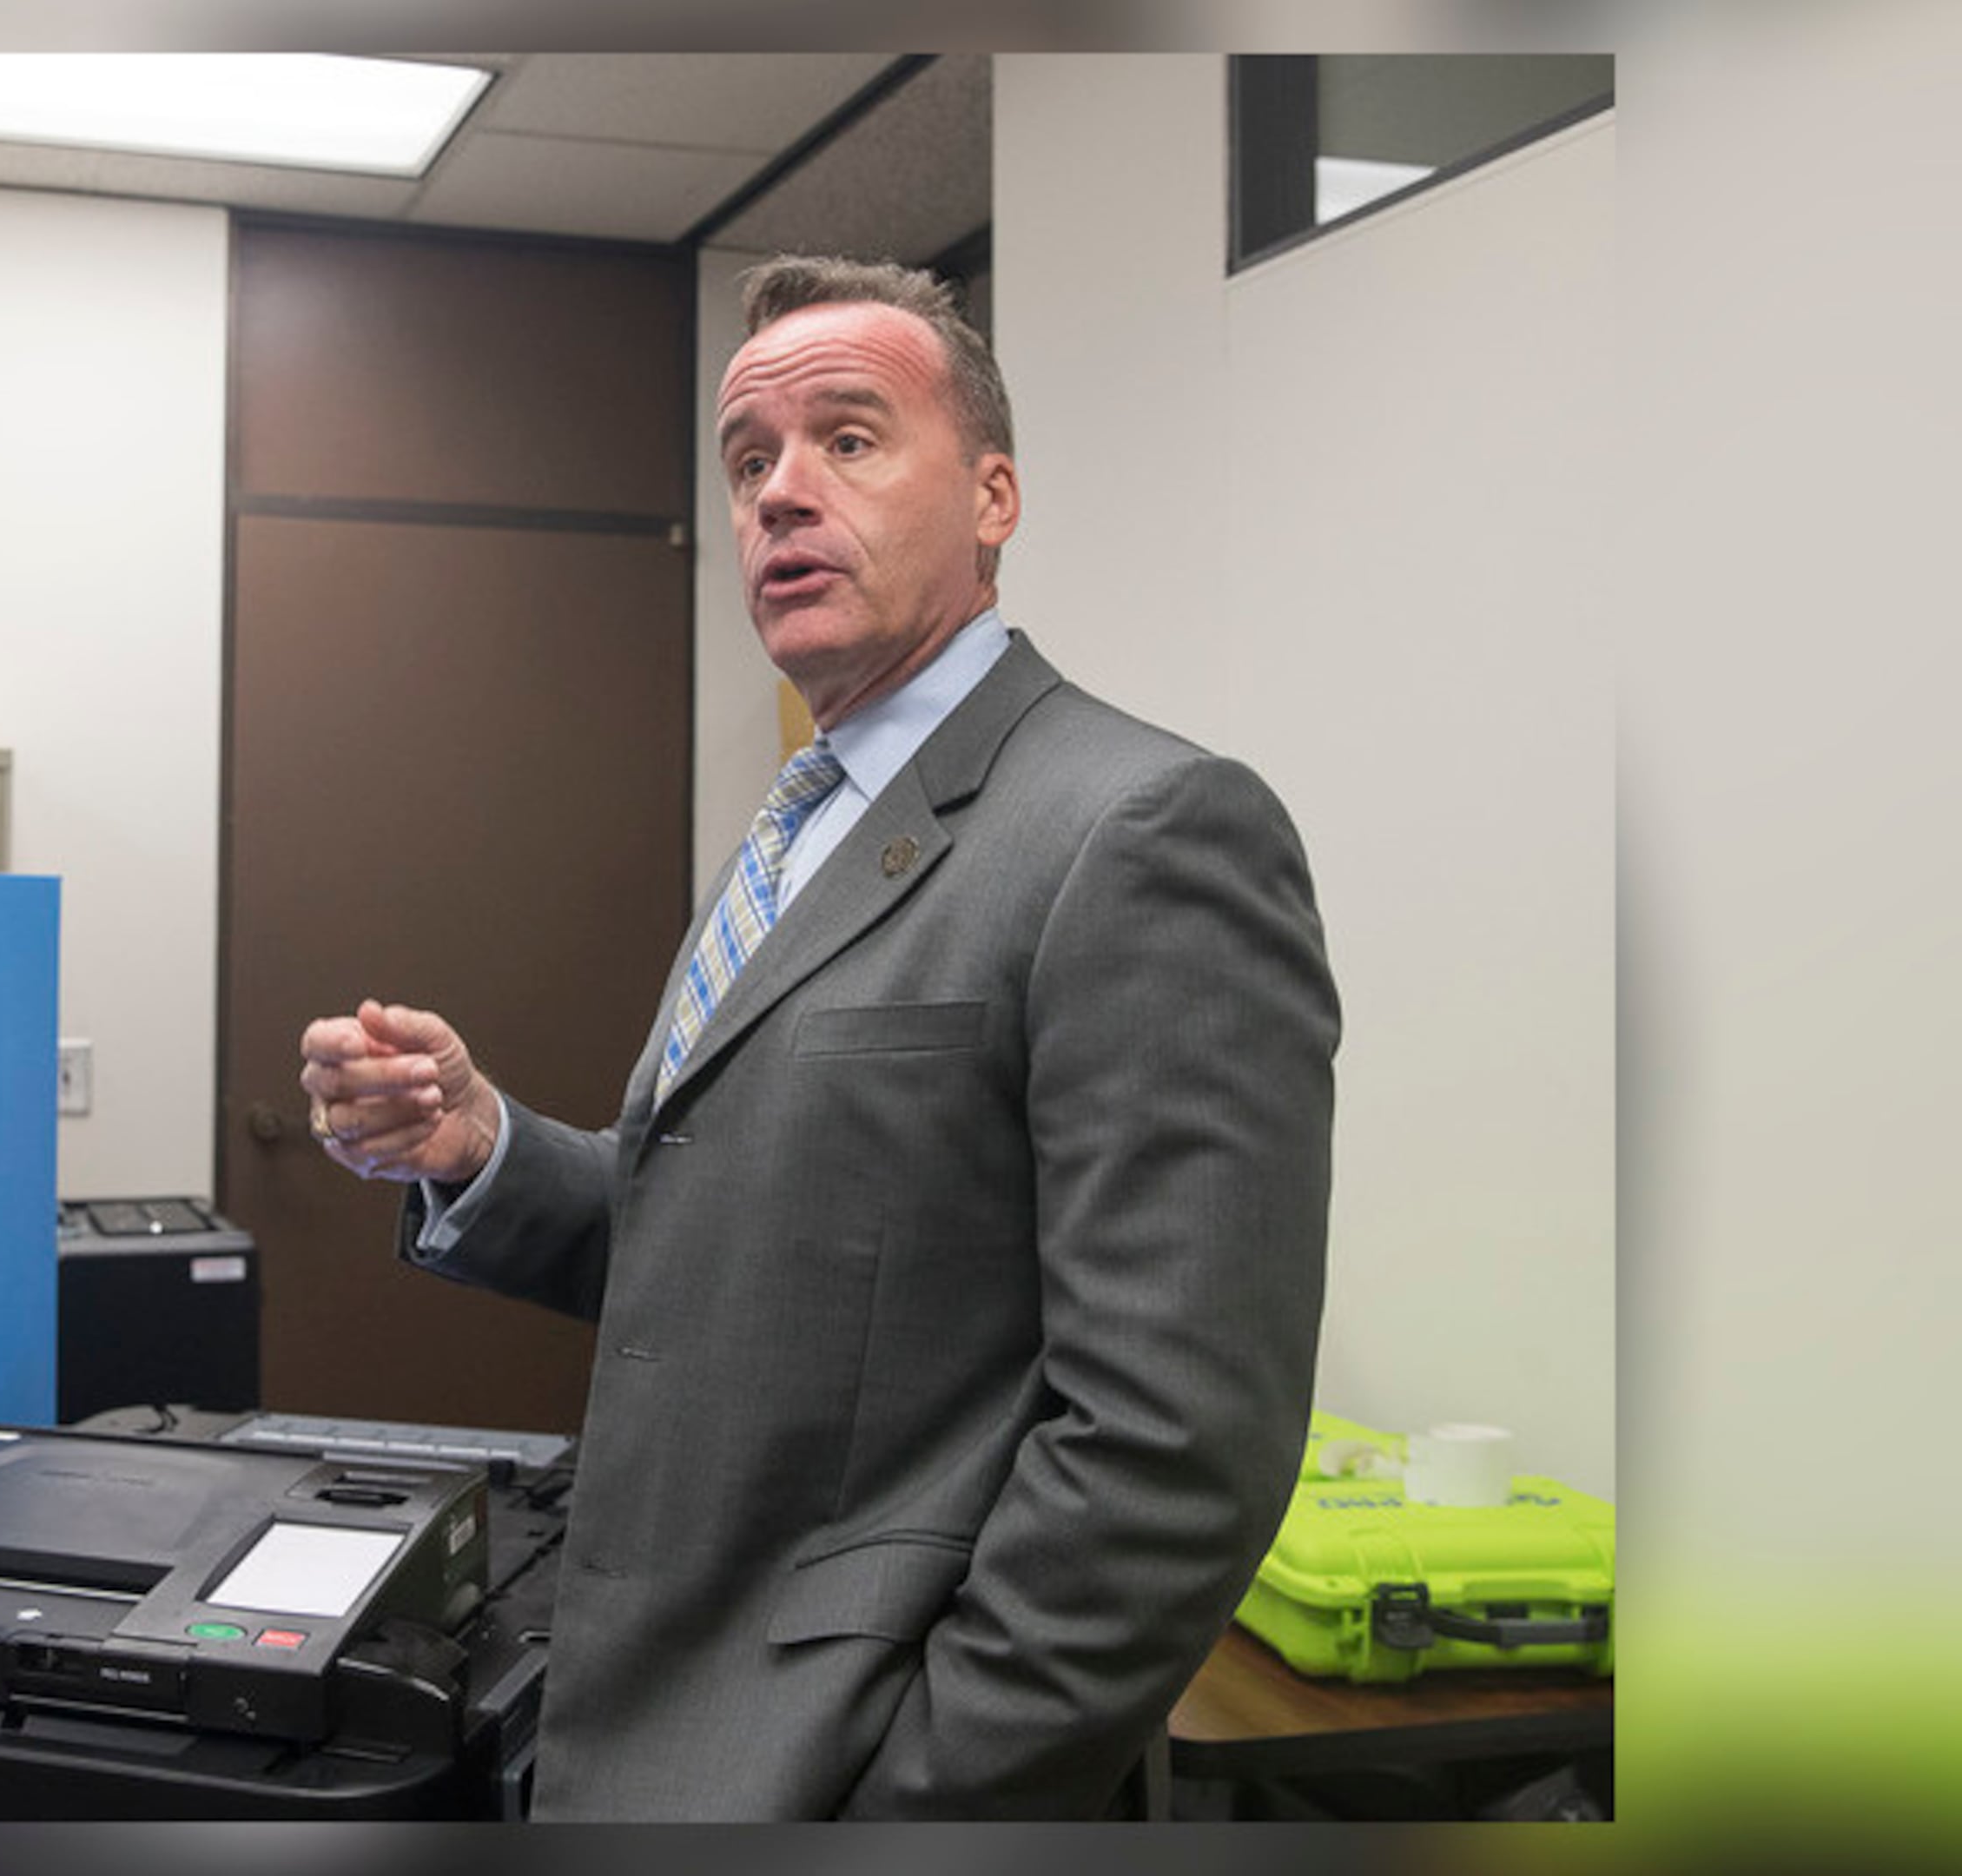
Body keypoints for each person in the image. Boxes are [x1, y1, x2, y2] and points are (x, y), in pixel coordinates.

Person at [296, 254, 1338, 1820]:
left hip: (849, 1773)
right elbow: (747, 1254)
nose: (781, 494)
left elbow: (1172, 1453)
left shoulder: (1141, 831)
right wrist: (484, 1149)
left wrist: (916, 1800)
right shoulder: (800, 834)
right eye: (748, 460)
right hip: (644, 1720)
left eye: (848, 439)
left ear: (993, 496)